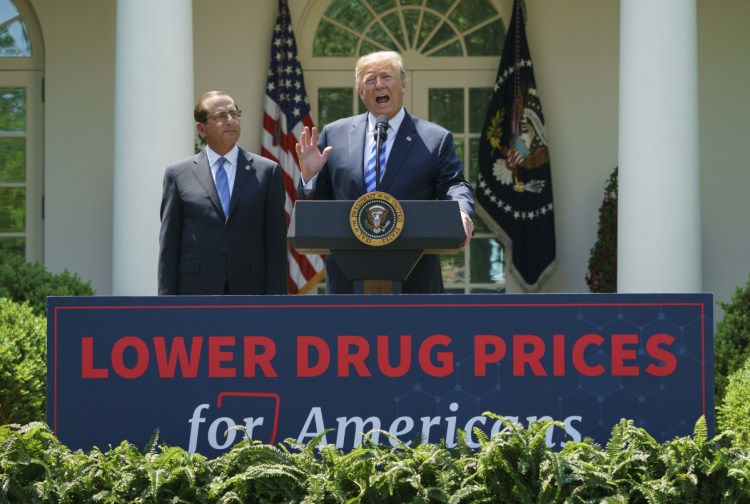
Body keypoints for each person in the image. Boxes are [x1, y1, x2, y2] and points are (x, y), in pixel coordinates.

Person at [295, 51, 475, 294]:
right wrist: (309, 177)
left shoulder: (434, 138)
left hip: (416, 280)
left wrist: (461, 211)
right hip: (347, 281)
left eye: (386, 77)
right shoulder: (334, 135)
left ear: (403, 85)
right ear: (360, 92)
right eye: (370, 80)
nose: (379, 84)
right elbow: (316, 209)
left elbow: (454, 184)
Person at [158, 90, 288, 295]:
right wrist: (166, 303)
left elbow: (276, 244)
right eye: (220, 116)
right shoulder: (178, 174)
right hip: (195, 291)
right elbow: (169, 246)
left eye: (234, 114)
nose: (230, 121)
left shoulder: (267, 171)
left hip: (251, 291)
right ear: (201, 128)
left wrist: (277, 301)